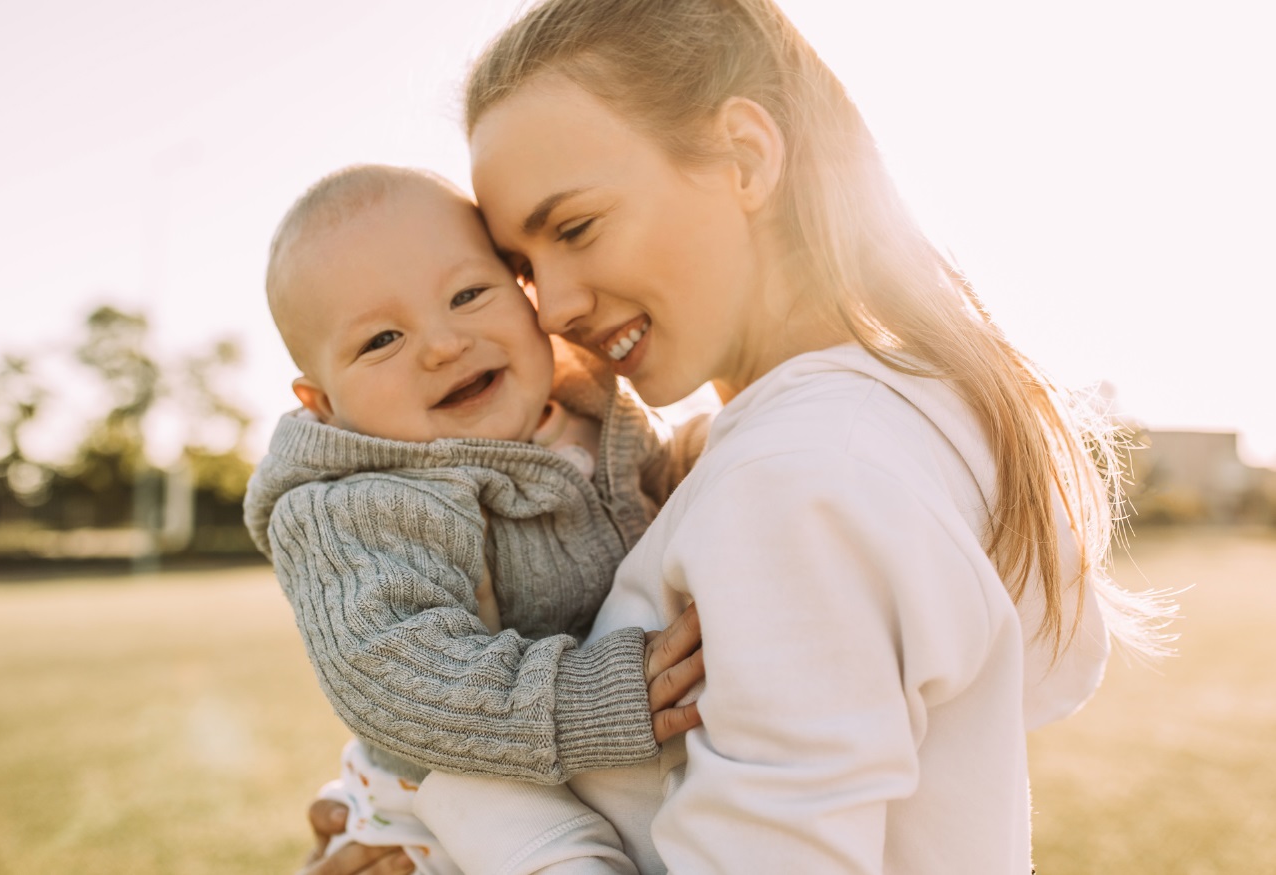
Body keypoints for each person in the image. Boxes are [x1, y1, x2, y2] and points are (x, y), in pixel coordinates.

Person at [295, 0, 1179, 872]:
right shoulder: (894, 414)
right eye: (525, 266)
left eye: (576, 228)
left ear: (746, 158)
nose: (554, 307)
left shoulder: (798, 477)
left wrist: (441, 813)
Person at [245, 164, 710, 875]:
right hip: (455, 789)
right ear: (323, 404)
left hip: (583, 773)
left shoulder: (593, 419)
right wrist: (588, 698)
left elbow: (658, 497)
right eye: (379, 340)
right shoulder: (356, 505)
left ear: (527, 297)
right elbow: (398, 669)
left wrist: (710, 452)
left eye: (467, 294)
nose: (441, 344)